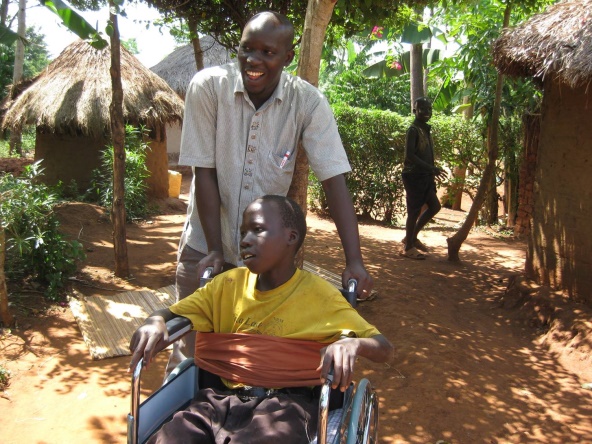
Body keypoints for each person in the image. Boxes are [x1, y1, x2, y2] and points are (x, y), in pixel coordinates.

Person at [170, 11, 373, 376]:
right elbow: (205, 173)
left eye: (267, 52)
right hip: (205, 249)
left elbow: (334, 179)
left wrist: (354, 260)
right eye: (247, 49)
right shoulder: (208, 88)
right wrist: (216, 250)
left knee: (252, 364)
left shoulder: (307, 103)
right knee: (190, 359)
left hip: (264, 269)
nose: (254, 61)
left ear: (287, 56)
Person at [129, 195, 394, 444]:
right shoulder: (226, 285)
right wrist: (156, 321)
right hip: (217, 401)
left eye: (257, 230)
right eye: (243, 232)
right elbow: (173, 313)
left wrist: (353, 345)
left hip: (284, 407)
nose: (245, 240)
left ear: (291, 237)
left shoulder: (321, 296)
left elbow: (383, 348)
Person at [401, 97, 446, 260]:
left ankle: (411, 238)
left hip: (424, 176)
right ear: (415, 111)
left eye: (429, 109)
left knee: (434, 206)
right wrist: (431, 168)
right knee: (413, 212)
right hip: (414, 176)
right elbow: (410, 155)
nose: (427, 112)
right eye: (423, 109)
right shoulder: (413, 130)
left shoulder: (424, 129)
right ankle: (408, 247)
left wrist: (430, 171)